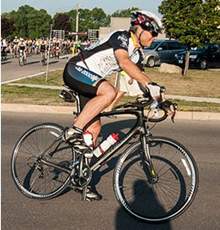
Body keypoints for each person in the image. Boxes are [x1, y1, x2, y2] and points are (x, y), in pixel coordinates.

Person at [62, 10, 173, 200]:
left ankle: (80, 179)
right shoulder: (121, 37)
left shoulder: (137, 55)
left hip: (92, 83)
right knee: (109, 92)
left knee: (95, 130)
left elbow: (141, 80)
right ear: (140, 30)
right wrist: (149, 85)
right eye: (153, 33)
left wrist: (163, 101)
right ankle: (72, 132)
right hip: (77, 69)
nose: (154, 38)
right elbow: (124, 62)